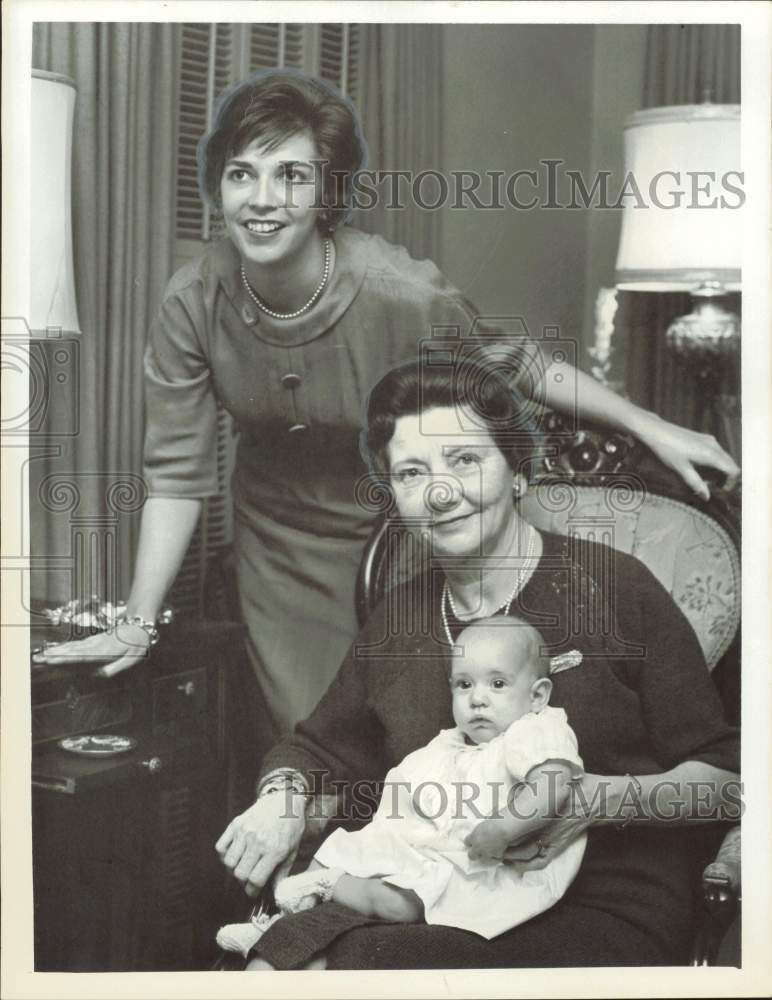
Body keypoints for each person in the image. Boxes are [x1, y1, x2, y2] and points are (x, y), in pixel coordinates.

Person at [33, 70, 740, 746]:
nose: (261, 198)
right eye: (241, 173)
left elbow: (515, 361)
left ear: (327, 193)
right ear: (218, 184)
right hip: (275, 545)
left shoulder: (398, 292)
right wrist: (137, 618)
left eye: (292, 175)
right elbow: (177, 476)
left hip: (405, 534)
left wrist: (651, 423)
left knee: (412, 728)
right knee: (309, 734)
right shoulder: (192, 299)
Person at [216, 357, 740, 971]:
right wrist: (281, 800)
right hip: (432, 889)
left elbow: (727, 784)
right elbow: (318, 749)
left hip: (602, 901)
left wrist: (596, 801)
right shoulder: (403, 617)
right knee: (277, 965)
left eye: (465, 459)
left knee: (347, 967)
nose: (441, 492)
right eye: (412, 472)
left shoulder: (614, 589)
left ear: (518, 471)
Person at [217, 617, 585, 952]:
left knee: (397, 903)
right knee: (346, 848)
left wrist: (504, 828)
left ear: (537, 695)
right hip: (433, 851)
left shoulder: (535, 730)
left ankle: (320, 888)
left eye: (498, 684)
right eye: (464, 684)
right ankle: (278, 922)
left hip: (489, 867)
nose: (477, 698)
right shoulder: (454, 742)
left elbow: (553, 782)